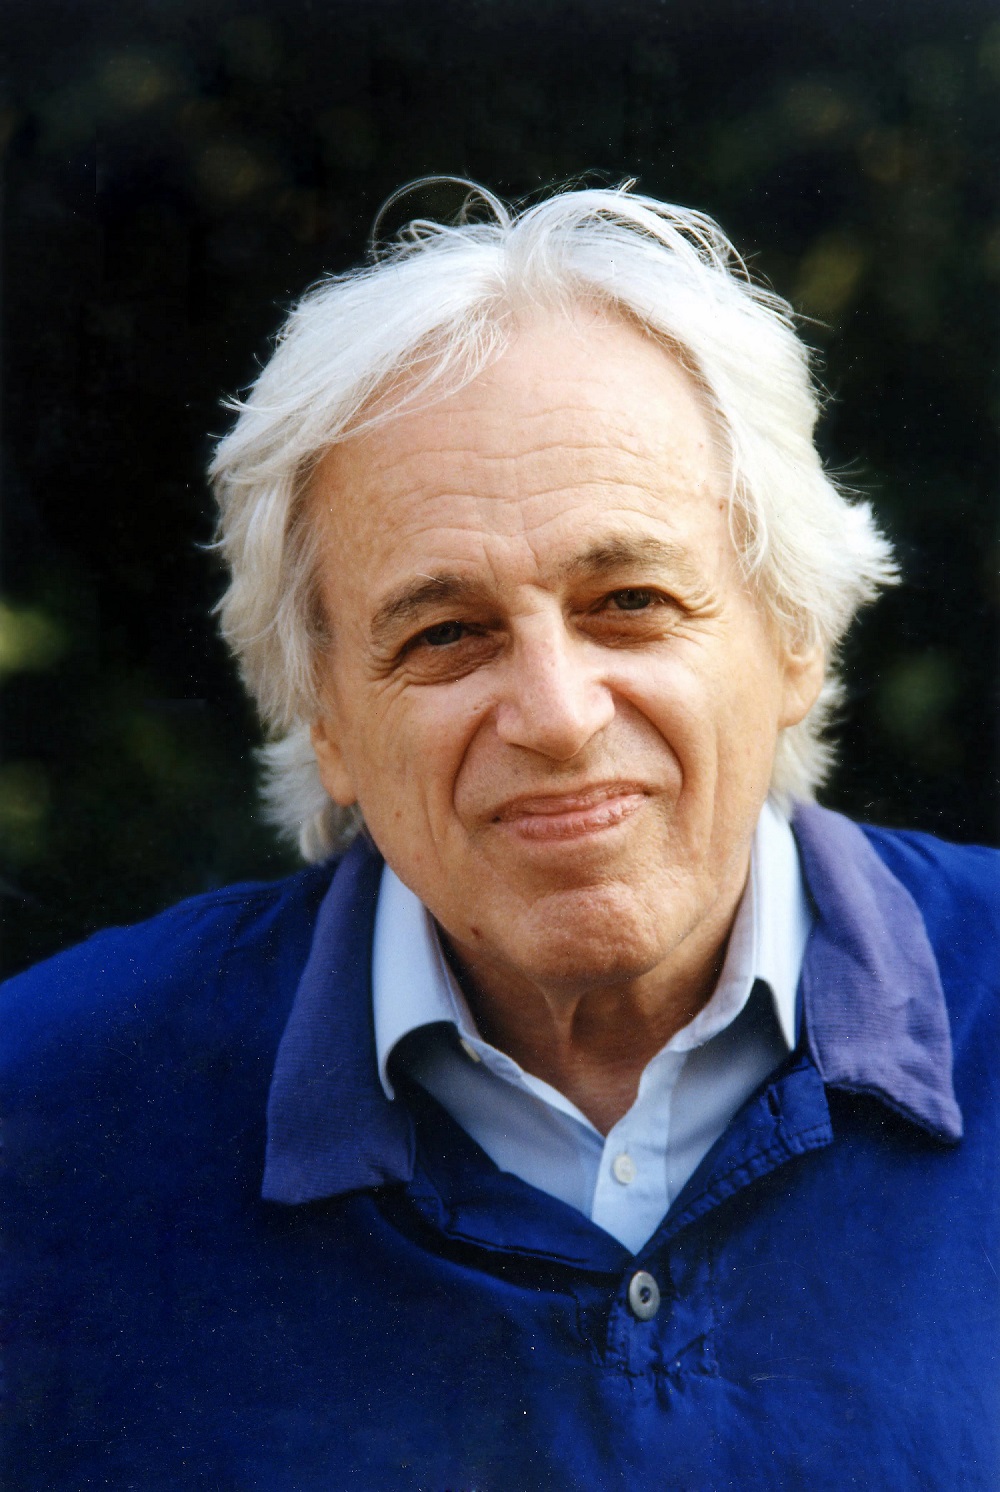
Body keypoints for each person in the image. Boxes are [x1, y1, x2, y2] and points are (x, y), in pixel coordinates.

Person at [4, 182, 997, 1492]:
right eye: (447, 633)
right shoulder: (44, 1117)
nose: (558, 715)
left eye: (629, 601)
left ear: (794, 637)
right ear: (326, 720)